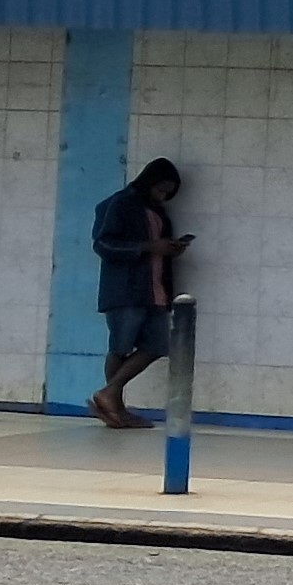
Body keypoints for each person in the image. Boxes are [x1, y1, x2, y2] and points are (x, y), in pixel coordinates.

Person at [89, 158, 188, 430]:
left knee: (157, 345)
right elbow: (103, 244)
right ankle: (115, 406)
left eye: (168, 193)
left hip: (155, 289)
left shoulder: (157, 211)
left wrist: (170, 249)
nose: (163, 196)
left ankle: (109, 394)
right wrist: (148, 247)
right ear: (149, 182)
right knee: (121, 347)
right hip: (125, 290)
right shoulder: (120, 204)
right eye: (160, 189)